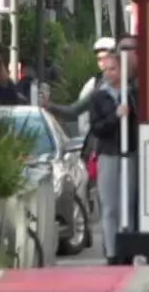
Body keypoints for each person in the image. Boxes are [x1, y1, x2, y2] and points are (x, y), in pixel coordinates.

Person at [47, 53, 132, 264]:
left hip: (131, 153)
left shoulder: (132, 93)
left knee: (129, 204)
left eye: (113, 69)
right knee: (110, 206)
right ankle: (112, 253)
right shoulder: (99, 96)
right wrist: (116, 116)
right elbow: (96, 126)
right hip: (108, 153)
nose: (109, 73)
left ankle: (129, 249)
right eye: (106, 69)